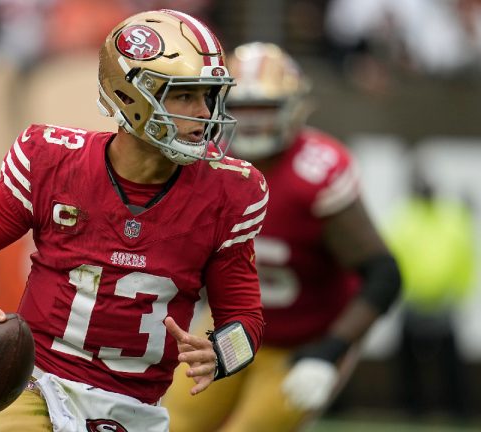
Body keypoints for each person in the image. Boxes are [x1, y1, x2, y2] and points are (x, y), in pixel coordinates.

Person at [0, 9, 268, 432]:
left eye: (210, 96)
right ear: (131, 96)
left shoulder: (231, 192)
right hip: (34, 384)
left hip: (133, 408)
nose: (203, 113)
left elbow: (245, 319)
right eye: (185, 95)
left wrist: (221, 353)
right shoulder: (52, 161)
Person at [162, 42, 402, 432]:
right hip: (233, 328)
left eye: (266, 108)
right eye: (243, 108)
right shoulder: (208, 163)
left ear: (294, 108)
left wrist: (329, 351)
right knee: (169, 423)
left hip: (303, 341)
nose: (253, 122)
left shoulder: (315, 172)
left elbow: (384, 274)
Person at [385, 160, 475, 419]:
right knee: (408, 361)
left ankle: (459, 410)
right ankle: (411, 409)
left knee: (450, 362)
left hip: (443, 301)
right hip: (412, 300)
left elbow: (465, 256)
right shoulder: (404, 216)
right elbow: (394, 255)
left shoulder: (452, 217)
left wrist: (461, 292)